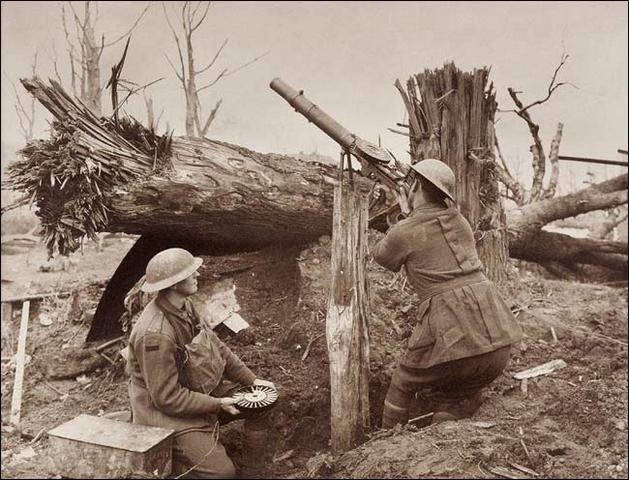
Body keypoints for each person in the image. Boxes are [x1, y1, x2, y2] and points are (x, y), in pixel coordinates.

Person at [372, 159, 522, 429]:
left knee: (403, 380)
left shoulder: (405, 231)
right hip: (497, 343)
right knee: (452, 395)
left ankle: (385, 444)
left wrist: (405, 216)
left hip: (455, 334)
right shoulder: (460, 221)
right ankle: (442, 433)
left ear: (415, 185)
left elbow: (383, 257)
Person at [126, 247, 274, 478]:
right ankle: (166, 469)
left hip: (195, 390)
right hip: (163, 414)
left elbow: (217, 347)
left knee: (263, 402)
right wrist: (217, 404)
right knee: (221, 473)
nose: (198, 275)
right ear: (174, 284)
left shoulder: (185, 306)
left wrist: (253, 381)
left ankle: (252, 475)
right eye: (190, 272)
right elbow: (166, 398)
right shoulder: (155, 334)